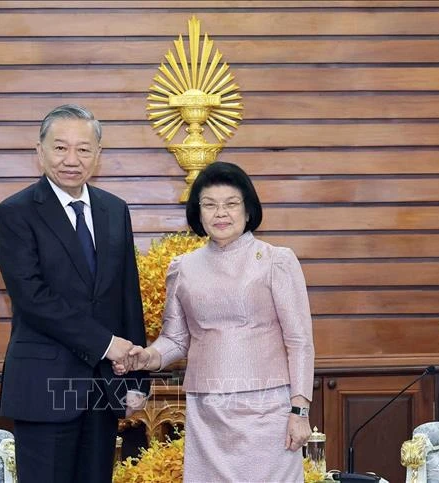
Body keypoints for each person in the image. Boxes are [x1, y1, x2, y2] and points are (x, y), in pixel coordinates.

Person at [114, 161, 315, 482]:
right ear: (198, 213)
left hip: (267, 408)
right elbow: (176, 339)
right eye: (209, 205)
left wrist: (299, 411)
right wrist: (147, 356)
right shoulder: (183, 268)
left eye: (231, 204)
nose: (220, 213)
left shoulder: (276, 260)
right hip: (208, 409)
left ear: (248, 211)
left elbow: (300, 342)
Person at [0, 104, 149, 483]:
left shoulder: (115, 210)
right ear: (40, 152)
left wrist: (136, 379)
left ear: (97, 155)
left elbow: (128, 294)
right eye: (60, 147)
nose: (71, 159)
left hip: (102, 389)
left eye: (83, 149)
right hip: (44, 387)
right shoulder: (16, 212)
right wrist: (106, 343)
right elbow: (33, 299)